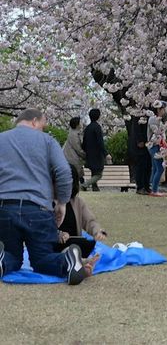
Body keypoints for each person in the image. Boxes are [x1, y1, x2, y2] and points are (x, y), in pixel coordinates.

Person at [0, 108, 98, 285]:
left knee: (12, 257)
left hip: (5, 208)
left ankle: (2, 259)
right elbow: (64, 172)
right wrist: (62, 202)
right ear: (34, 121)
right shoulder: (47, 141)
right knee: (43, 259)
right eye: (43, 125)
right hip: (39, 208)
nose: (43, 130)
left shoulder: (1, 139)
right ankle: (68, 260)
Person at [56, 165, 107, 257]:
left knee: (86, 244)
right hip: (55, 243)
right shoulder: (49, 202)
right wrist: (60, 234)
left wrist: (97, 232)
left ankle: (75, 257)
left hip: (76, 243)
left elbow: (90, 221)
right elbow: (44, 227)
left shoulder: (78, 202)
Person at [82, 108, 110, 191]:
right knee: (99, 174)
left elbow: (84, 142)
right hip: (97, 154)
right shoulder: (97, 127)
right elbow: (100, 142)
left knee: (94, 171)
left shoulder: (87, 128)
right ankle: (85, 184)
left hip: (89, 153)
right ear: (98, 116)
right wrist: (106, 153)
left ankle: (95, 187)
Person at [147, 102, 167, 197]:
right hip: (154, 146)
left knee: (156, 168)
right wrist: (166, 125)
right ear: (159, 109)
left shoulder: (158, 120)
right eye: (164, 109)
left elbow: (161, 133)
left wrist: (166, 126)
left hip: (156, 146)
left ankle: (152, 188)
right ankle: (154, 190)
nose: (165, 111)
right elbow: (157, 132)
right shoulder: (153, 119)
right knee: (160, 168)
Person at [128, 115, 152, 195]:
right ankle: (140, 187)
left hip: (148, 142)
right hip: (140, 144)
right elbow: (136, 128)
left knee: (148, 166)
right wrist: (139, 140)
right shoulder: (138, 114)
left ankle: (146, 186)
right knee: (141, 166)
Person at [62, 117, 86, 186]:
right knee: (76, 171)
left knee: (78, 171)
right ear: (77, 124)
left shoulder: (75, 133)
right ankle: (83, 184)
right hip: (72, 156)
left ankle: (83, 184)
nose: (81, 123)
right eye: (80, 122)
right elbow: (77, 148)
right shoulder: (73, 134)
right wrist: (84, 155)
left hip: (73, 156)